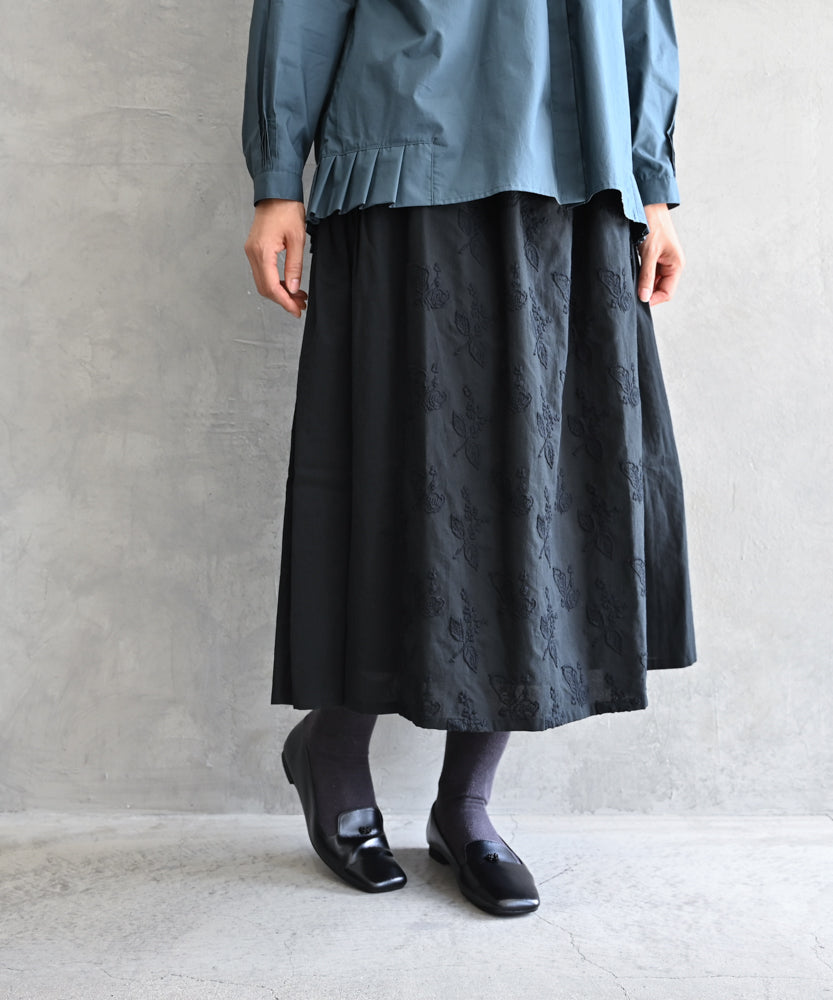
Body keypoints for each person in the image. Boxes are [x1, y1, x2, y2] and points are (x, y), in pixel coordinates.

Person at [242, 0, 697, 917]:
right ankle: (334, 751)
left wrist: (652, 186)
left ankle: (466, 804)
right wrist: (277, 180)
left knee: (538, 492)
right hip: (406, 160)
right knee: (397, 476)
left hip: (579, 181)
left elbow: (637, 16)